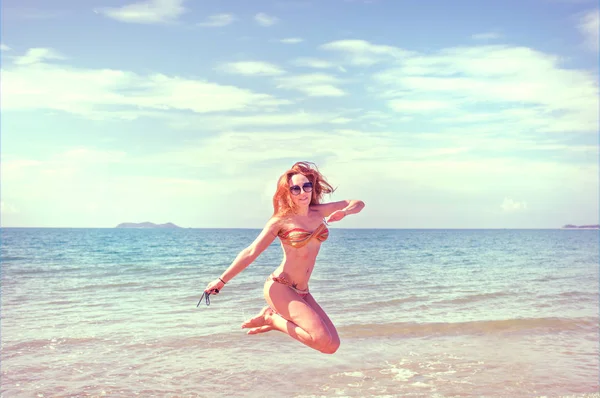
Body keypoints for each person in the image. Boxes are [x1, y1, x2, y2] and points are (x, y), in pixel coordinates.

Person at [203, 161, 365, 354]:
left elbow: (358, 203)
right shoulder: (280, 221)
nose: (303, 192)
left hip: (303, 290)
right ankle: (271, 319)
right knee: (320, 338)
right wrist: (222, 280)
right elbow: (251, 251)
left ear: (312, 187)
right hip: (280, 287)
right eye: (295, 189)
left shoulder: (319, 212)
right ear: (288, 192)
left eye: (306, 186)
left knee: (332, 346)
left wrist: (344, 213)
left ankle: (273, 321)